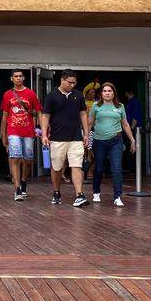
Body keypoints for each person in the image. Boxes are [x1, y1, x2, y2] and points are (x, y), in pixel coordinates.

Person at [40, 71, 89, 208]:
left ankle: (79, 194)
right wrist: (44, 135)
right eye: (70, 82)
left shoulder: (78, 95)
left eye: (74, 83)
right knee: (56, 167)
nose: (72, 85)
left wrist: (86, 133)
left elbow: (83, 114)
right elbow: (45, 116)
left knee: (76, 166)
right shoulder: (51, 96)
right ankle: (56, 192)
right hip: (57, 138)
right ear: (62, 80)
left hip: (76, 138)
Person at [88, 82, 135, 206]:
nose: (107, 93)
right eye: (104, 91)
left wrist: (132, 140)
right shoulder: (95, 106)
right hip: (99, 141)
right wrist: (85, 137)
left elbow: (125, 124)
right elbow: (89, 122)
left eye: (109, 91)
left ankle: (118, 196)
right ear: (101, 93)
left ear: (114, 93)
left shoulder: (120, 106)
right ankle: (96, 192)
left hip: (116, 140)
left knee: (116, 168)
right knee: (98, 168)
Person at [0, 70, 42, 201]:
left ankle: (23, 181)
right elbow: (5, 116)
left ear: (23, 78)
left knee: (28, 161)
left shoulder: (30, 93)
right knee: (15, 158)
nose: (18, 78)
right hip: (13, 131)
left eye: (20, 76)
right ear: (11, 78)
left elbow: (39, 112)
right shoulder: (7, 95)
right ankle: (17, 188)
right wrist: (3, 133)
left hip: (28, 131)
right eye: (15, 76)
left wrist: (41, 128)